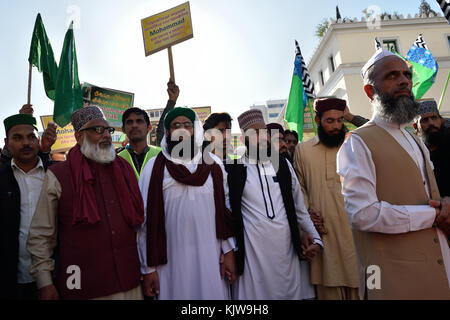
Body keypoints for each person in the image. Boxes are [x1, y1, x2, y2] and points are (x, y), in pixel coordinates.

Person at [337, 48, 450, 299]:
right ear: (370, 91)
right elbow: (362, 214)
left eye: (406, 75)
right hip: (392, 278)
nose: (404, 81)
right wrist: (432, 215)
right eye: (391, 76)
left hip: (438, 269)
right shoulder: (358, 141)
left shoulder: (416, 141)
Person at [27, 106, 145, 300]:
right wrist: (45, 283)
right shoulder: (58, 175)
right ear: (79, 136)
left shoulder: (125, 169)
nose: (106, 135)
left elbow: (140, 225)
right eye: (98, 130)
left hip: (130, 283)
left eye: (108, 130)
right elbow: (41, 235)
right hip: (82, 287)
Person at [138, 107, 236, 300]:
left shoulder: (213, 164)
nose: (182, 130)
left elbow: (224, 211)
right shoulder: (153, 168)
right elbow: (144, 220)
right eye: (176, 125)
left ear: (194, 130)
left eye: (187, 125)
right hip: (170, 264)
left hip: (211, 256)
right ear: (167, 132)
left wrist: (229, 251)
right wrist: (147, 268)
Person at [227, 109, 322, 300]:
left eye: (264, 132)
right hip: (253, 259)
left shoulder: (283, 166)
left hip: (286, 256)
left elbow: (300, 209)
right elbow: (228, 215)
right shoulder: (234, 170)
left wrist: (316, 240)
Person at [294, 98, 359, 300]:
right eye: (330, 121)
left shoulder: (355, 146)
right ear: (317, 120)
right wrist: (307, 217)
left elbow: (380, 135)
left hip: (355, 237)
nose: (336, 126)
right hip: (324, 236)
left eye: (340, 120)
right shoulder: (303, 150)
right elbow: (300, 189)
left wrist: (351, 117)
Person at [0, 114, 52, 300]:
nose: (26, 143)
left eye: (31, 137)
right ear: (7, 142)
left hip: (53, 278)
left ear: (38, 139)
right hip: (11, 280)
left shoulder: (55, 174)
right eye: (17, 138)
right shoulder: (2, 177)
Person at [266, 122, 316, 300]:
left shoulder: (291, 164)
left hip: (300, 232)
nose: (286, 145)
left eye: (286, 141)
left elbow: (300, 204)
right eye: (279, 140)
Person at [413, 100, 450, 197]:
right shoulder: (415, 152)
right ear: (415, 127)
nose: (431, 123)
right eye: (424, 120)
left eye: (434, 118)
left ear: (441, 120)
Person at [118, 107, 161, 180]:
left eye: (139, 121)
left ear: (149, 127)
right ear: (123, 129)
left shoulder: (161, 155)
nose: (134, 125)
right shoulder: (118, 160)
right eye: (129, 122)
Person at [155, 80, 180, 146]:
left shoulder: (199, 154)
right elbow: (161, 131)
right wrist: (172, 101)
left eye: (187, 125)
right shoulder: (163, 152)